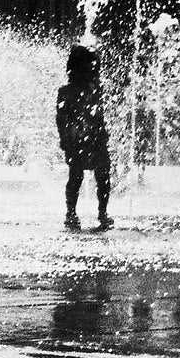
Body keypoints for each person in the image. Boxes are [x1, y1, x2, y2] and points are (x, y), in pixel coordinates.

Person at [57, 45, 113, 231]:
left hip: (96, 139)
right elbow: (61, 118)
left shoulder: (95, 89)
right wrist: (65, 139)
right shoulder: (66, 92)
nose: (91, 70)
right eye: (88, 66)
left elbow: (99, 116)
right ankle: (71, 212)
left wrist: (103, 133)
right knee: (76, 176)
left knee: (103, 175)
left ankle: (102, 212)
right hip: (76, 140)